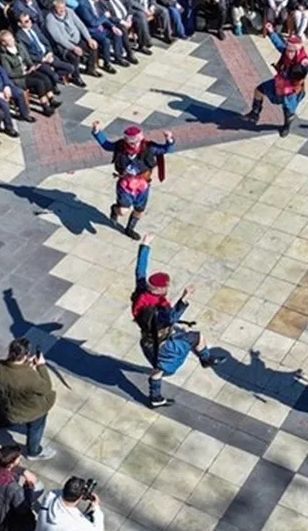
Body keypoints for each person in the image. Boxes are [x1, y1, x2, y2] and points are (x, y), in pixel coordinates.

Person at [130, 234, 225, 408]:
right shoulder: (160, 308)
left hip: (148, 342)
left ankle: (155, 397)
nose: (167, 288)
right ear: (160, 289)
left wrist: (145, 245)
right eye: (166, 286)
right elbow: (172, 317)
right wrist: (184, 299)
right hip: (166, 345)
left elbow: (140, 269)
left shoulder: (141, 291)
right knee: (197, 337)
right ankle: (206, 359)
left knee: (158, 369)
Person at [91, 124, 175, 239]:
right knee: (122, 211)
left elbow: (165, 149)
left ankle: (130, 229)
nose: (134, 145)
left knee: (139, 209)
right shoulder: (120, 146)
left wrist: (169, 139)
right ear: (126, 141)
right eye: (131, 143)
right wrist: (97, 132)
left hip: (142, 185)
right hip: (125, 184)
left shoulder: (148, 147)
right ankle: (115, 209)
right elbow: (106, 145)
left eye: (137, 142)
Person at [244, 23, 308, 136]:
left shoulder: (303, 60)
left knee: (288, 110)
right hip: (279, 82)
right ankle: (255, 113)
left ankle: (286, 126)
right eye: (288, 50)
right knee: (259, 90)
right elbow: (278, 44)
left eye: (291, 51)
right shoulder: (286, 51)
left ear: (297, 51)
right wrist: (271, 32)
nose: (288, 53)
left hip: (291, 89)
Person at [0, 338, 58, 460]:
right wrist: (41, 366)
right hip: (32, 412)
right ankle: (34, 452)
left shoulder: (0, 366)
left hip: (11, 410)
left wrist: (28, 366)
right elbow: (46, 387)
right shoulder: (29, 377)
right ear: (26, 355)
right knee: (36, 428)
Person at [0, 445, 41, 531]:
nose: (20, 459)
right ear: (11, 464)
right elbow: (22, 509)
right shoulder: (15, 489)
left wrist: (23, 471)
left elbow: (7, 469)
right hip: (2, 517)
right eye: (19, 459)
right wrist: (28, 488)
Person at [35, 477, 103, 531]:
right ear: (80, 497)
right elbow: (99, 529)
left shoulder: (50, 495)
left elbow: (59, 492)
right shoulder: (78, 524)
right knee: (90, 518)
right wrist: (96, 508)